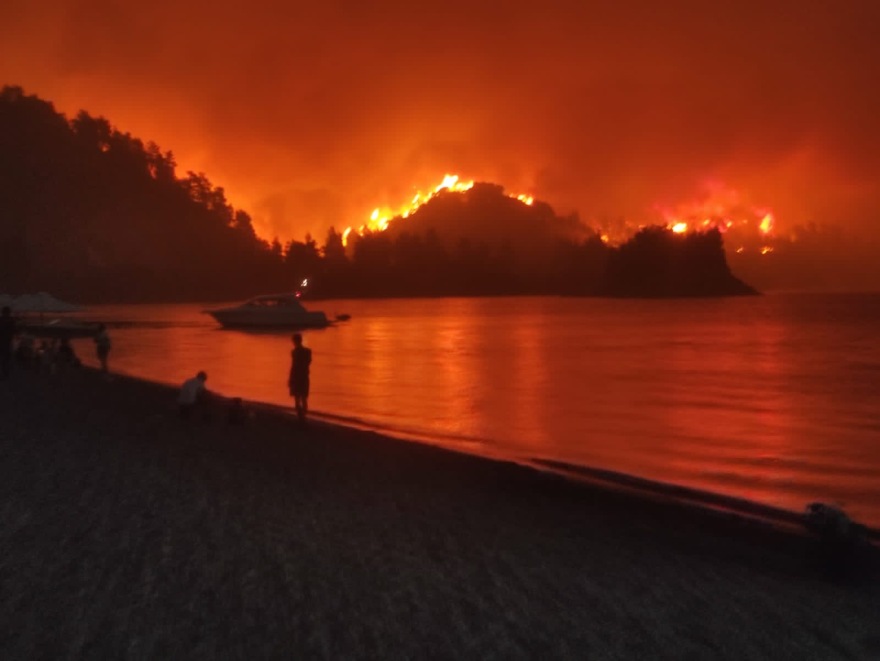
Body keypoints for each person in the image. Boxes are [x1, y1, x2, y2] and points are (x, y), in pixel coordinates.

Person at [288, 333, 312, 424]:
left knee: (298, 398)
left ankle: (301, 417)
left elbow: (294, 366)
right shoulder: (308, 351)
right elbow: (308, 363)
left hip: (298, 376)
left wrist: (291, 378)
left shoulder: (295, 352)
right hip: (303, 376)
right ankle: (303, 417)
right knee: (303, 398)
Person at [0, 306, 15, 379]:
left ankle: (4, 373)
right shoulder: (11, 320)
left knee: (4, 359)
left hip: (3, 341)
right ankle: (5, 373)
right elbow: (13, 331)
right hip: (6, 341)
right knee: (6, 359)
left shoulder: (2, 320)